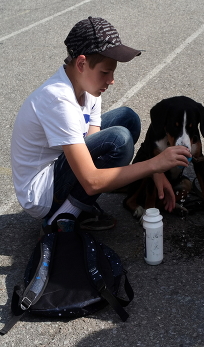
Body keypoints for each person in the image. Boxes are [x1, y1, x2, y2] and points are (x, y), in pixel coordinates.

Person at [11, 16, 191, 233]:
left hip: (59, 167)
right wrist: (154, 164)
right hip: (41, 195)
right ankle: (62, 216)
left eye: (113, 71)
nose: (111, 80)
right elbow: (91, 180)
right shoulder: (58, 100)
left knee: (128, 118)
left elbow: (93, 146)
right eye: (105, 72)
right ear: (81, 63)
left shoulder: (88, 89)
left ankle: (80, 203)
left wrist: (154, 173)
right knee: (119, 140)